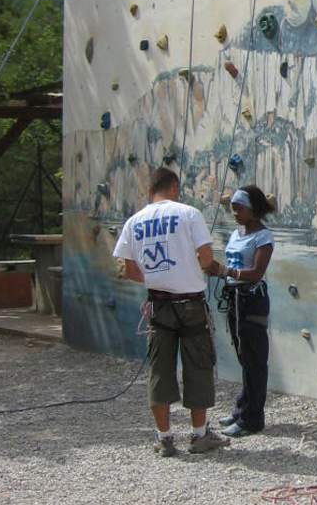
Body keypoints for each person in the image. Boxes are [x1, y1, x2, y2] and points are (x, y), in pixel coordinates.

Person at [112, 167, 230, 457]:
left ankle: (164, 439)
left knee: (159, 371)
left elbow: (127, 269)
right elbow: (205, 258)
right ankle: (199, 435)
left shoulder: (134, 221)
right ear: (174, 187)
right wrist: (209, 270)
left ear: (150, 189)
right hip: (190, 304)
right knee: (198, 366)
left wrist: (156, 278)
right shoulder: (189, 214)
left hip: (158, 305)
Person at [207, 186, 275, 438]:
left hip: (252, 300)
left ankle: (253, 418)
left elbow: (256, 272)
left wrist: (225, 272)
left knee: (255, 359)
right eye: (232, 207)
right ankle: (242, 408)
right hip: (235, 298)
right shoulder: (238, 233)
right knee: (243, 356)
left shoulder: (263, 237)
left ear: (253, 210)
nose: (234, 212)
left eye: (239, 208)